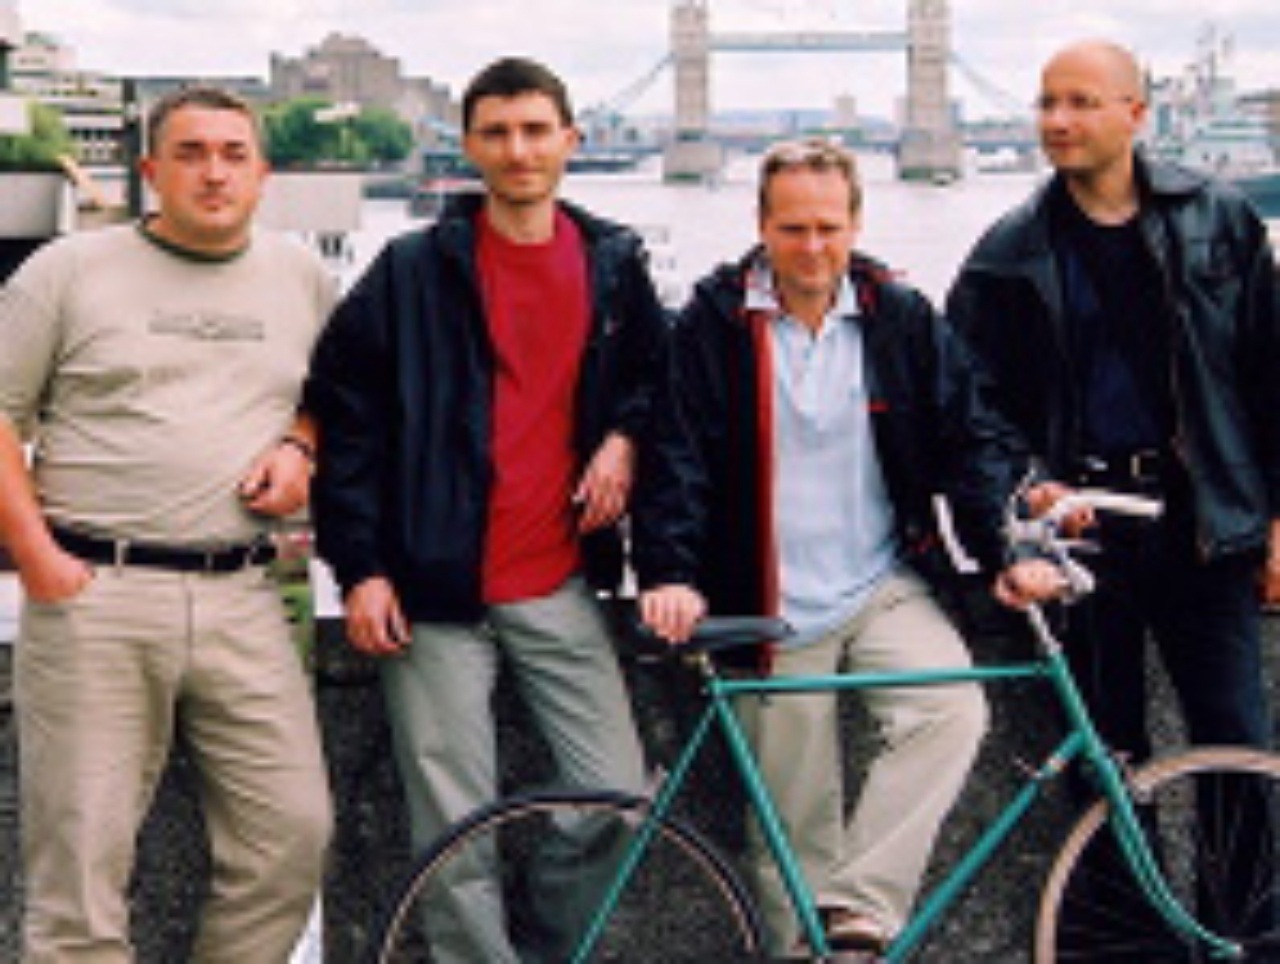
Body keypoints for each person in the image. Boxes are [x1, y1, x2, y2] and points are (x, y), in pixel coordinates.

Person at [633, 138, 1061, 957]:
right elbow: (674, 457)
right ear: (761, 224)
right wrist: (669, 573)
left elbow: (972, 437)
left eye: (829, 227)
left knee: (950, 711)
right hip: (767, 600)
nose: (812, 247)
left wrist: (1006, 550)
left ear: (857, 223)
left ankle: (856, 913)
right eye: (792, 228)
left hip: (880, 583)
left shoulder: (900, 315)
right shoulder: (711, 324)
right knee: (792, 831)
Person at [304, 57, 662, 961]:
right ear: (468, 146)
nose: (518, 150)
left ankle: (543, 943)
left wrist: (625, 436)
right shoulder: (410, 270)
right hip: (432, 592)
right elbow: (346, 421)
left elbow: (658, 385)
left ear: (572, 139)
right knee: (453, 835)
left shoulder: (615, 264)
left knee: (617, 800)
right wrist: (362, 569)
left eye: (536, 130)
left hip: (558, 580)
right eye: (497, 133)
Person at [947, 39, 1279, 944]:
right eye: (1047, 102)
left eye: (1081, 102)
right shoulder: (1007, 253)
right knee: (1105, 758)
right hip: (1081, 534)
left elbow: (1268, 373)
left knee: (1237, 746)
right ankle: (1122, 946)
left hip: (1203, 523)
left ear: (1137, 113)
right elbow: (972, 413)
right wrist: (1026, 497)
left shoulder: (1218, 218)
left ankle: (1248, 940)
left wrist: (1277, 517)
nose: (1057, 120)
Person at [0, 86, 334, 963]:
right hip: (94, 596)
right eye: (190, 153)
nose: (213, 173)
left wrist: (300, 444)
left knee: (291, 838)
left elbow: (335, 396)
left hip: (245, 594)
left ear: (263, 174)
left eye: (233, 154)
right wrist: (36, 556)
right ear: (150, 171)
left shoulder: (302, 278)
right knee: (79, 875)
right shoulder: (67, 271)